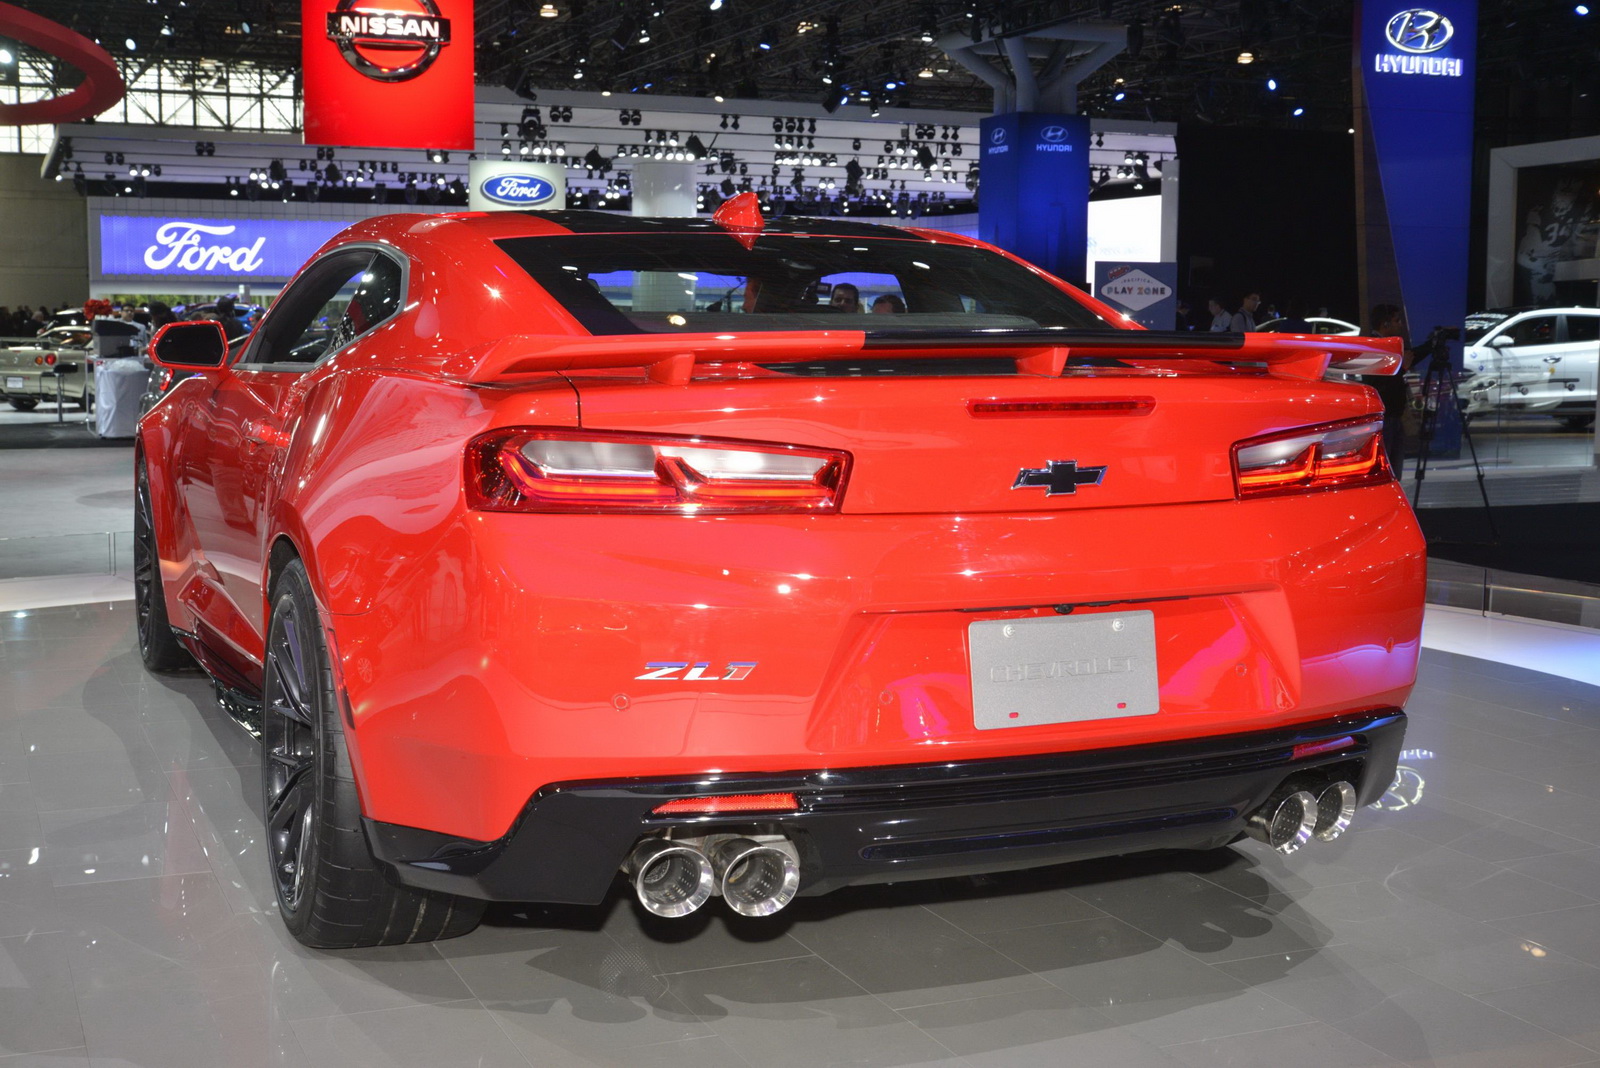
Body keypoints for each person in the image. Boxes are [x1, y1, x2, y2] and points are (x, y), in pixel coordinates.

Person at [1363, 303, 1415, 475]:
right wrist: (1402, 369)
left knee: (1394, 468)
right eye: (1396, 320)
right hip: (1385, 418)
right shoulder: (1374, 346)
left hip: (1393, 416)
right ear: (1385, 323)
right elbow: (1378, 383)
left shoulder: (1385, 345)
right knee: (1387, 470)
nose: (1400, 325)